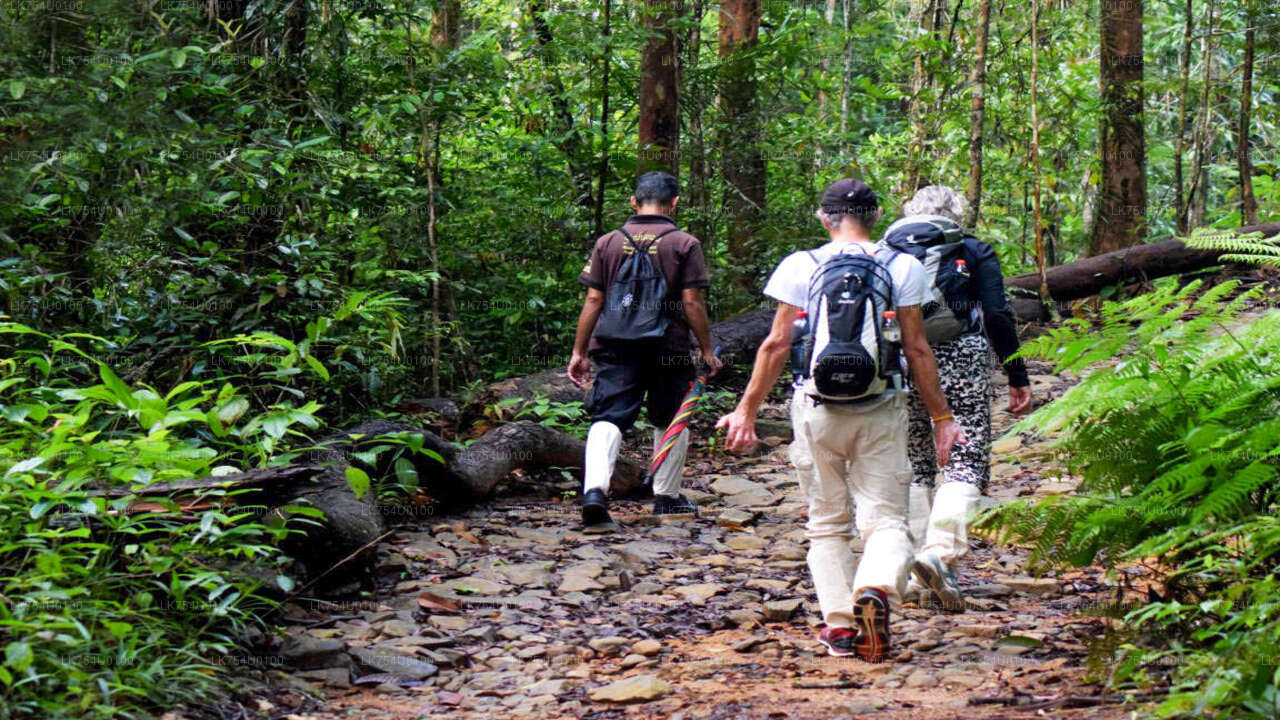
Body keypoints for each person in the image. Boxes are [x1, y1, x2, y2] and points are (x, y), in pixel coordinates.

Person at [717, 179, 964, 662]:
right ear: (877, 217)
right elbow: (917, 349)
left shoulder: (801, 265)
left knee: (827, 524)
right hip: (881, 405)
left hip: (817, 409)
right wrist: (942, 417)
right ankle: (875, 586)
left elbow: (776, 345)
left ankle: (841, 627)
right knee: (887, 520)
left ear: (823, 217)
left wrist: (746, 411)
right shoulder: (902, 265)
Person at [883, 185, 1032, 610]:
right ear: (957, 214)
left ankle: (915, 575)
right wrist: (1016, 372)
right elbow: (997, 313)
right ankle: (939, 552)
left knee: (917, 462)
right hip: (960, 357)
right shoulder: (972, 248)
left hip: (901, 358)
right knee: (964, 458)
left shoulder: (886, 251)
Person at [567, 171, 722, 526]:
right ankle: (666, 497)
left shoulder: (608, 242)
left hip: (615, 345)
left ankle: (595, 494)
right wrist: (706, 348)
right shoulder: (684, 243)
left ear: (634, 202)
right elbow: (692, 302)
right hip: (668, 346)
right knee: (670, 417)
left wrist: (579, 351)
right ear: (674, 203)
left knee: (608, 416)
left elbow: (593, 299)